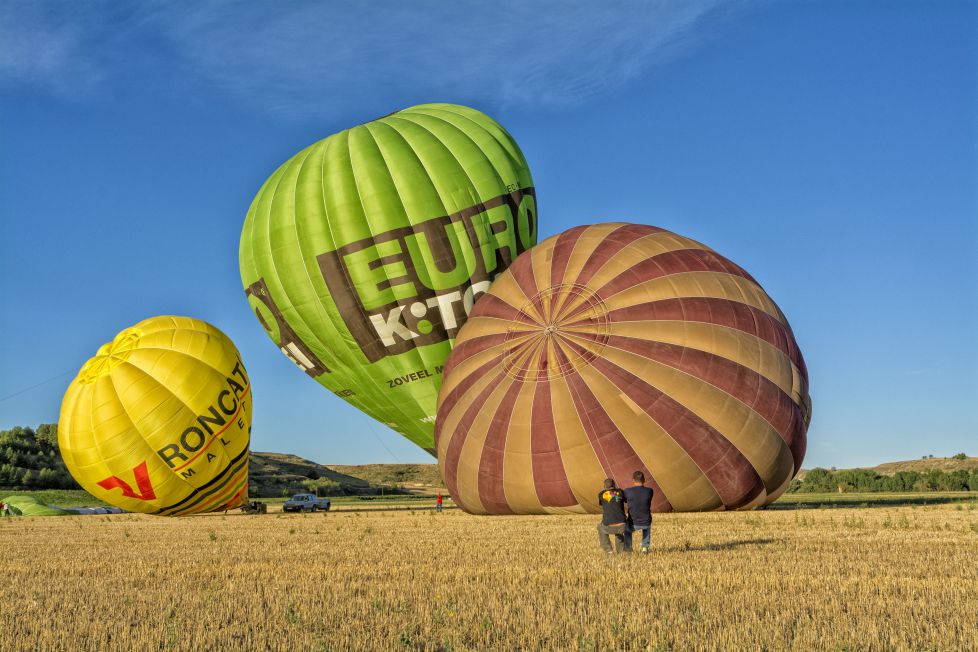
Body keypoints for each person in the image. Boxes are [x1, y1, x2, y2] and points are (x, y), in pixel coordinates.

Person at [623, 470, 654, 553]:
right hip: (646, 521)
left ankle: (628, 548)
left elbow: (625, 500)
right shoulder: (650, 491)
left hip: (633, 522)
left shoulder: (627, 491)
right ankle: (645, 547)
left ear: (633, 480)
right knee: (646, 528)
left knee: (627, 531)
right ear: (644, 480)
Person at [596, 478, 628, 554]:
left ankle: (609, 551)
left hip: (609, 525)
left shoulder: (601, 494)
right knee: (619, 532)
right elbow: (626, 500)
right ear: (614, 485)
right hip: (623, 525)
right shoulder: (621, 492)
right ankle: (621, 551)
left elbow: (601, 503)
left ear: (604, 486)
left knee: (600, 527)